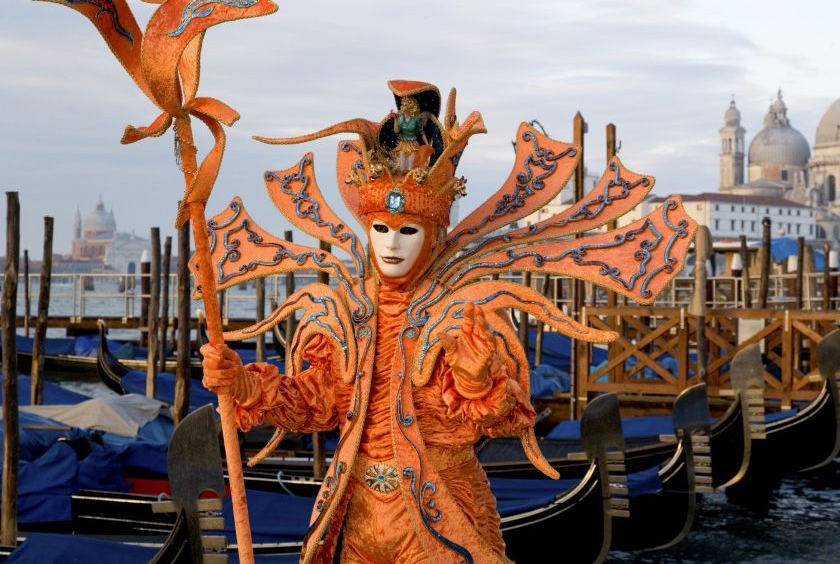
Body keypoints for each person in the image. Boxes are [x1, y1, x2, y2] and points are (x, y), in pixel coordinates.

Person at [199, 80, 693, 564]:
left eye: (407, 230)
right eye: (381, 230)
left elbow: (500, 419)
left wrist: (476, 382)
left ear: (432, 235)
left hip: (440, 518)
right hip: (356, 513)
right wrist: (242, 383)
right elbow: (319, 403)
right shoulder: (348, 316)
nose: (392, 244)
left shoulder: (461, 316)